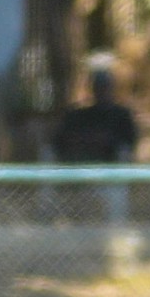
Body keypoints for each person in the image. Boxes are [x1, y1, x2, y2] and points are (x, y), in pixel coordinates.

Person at [54, 67, 138, 223]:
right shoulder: (76, 115)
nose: (101, 90)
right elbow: (59, 141)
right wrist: (82, 141)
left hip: (110, 169)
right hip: (77, 171)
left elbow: (129, 143)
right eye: (98, 86)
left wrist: (105, 141)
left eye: (105, 86)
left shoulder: (121, 115)